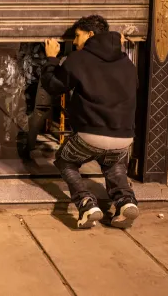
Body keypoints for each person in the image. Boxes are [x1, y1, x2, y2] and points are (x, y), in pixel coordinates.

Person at [41, 15, 139, 229]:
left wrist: (51, 59)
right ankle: (125, 201)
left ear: (91, 35)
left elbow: (54, 86)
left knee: (65, 160)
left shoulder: (79, 59)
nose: (74, 42)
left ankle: (86, 204)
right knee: (114, 165)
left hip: (90, 135)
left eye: (77, 36)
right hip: (124, 137)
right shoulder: (127, 63)